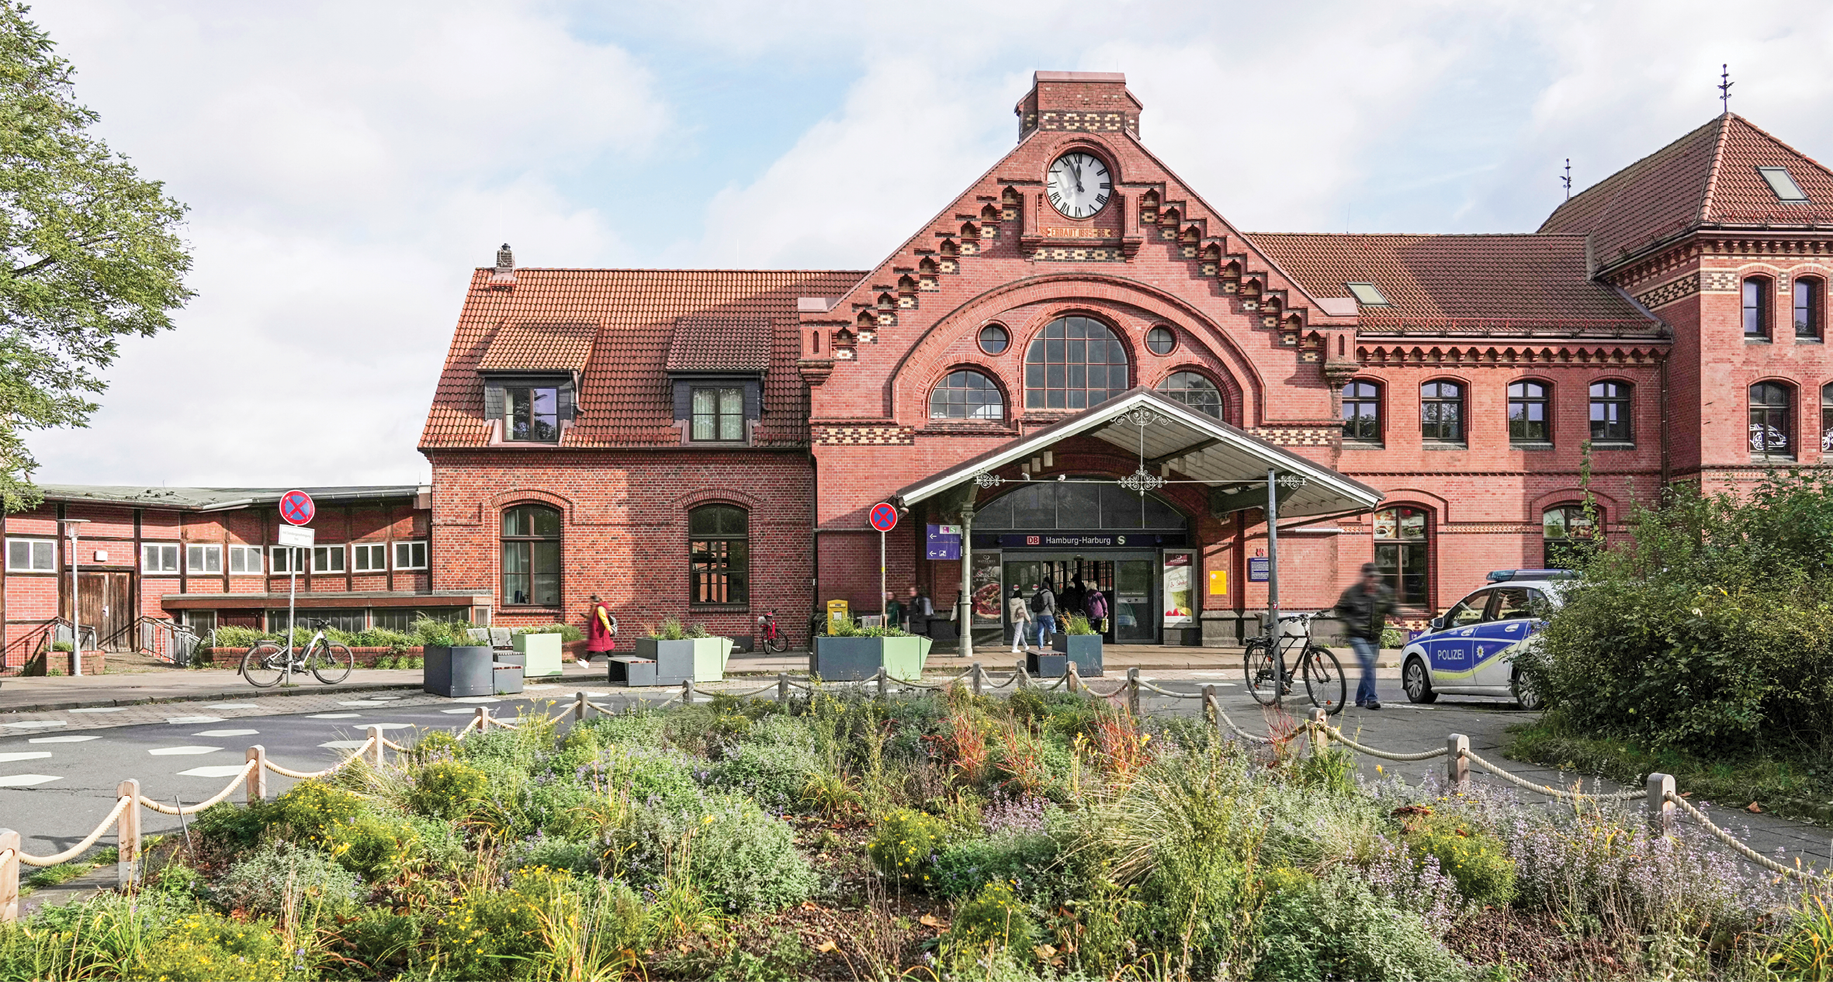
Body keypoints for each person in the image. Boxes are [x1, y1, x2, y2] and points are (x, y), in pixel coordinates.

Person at [1333, 562, 1398, 710]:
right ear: (1363, 577)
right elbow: (1339, 609)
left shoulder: (1384, 592)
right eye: (1369, 577)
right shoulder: (1352, 593)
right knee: (1368, 663)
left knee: (1369, 667)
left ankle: (1360, 699)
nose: (1372, 581)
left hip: (1374, 636)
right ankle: (1372, 699)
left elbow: (1391, 606)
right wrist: (1350, 622)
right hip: (1357, 635)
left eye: (1375, 578)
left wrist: (1396, 615)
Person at [585, 595, 617, 664]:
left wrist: (609, 629)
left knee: (598, 647)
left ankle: (586, 662)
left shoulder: (600, 608)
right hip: (598, 632)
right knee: (599, 647)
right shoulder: (595, 608)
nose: (590, 603)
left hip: (601, 632)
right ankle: (586, 662)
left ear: (595, 601)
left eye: (591, 601)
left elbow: (604, 619)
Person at [1031, 579, 1058, 649]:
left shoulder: (1038, 593)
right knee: (1052, 630)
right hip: (1047, 614)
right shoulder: (1049, 593)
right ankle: (1056, 644)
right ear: (1048, 586)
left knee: (1040, 631)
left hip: (1039, 615)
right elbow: (1052, 605)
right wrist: (1053, 612)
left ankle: (1040, 646)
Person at [1007, 585, 1034, 653]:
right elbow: (1024, 611)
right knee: (1017, 633)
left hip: (1013, 619)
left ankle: (1025, 646)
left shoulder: (1010, 601)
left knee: (1020, 632)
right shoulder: (1021, 601)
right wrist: (1029, 619)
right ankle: (1014, 648)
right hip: (1019, 619)